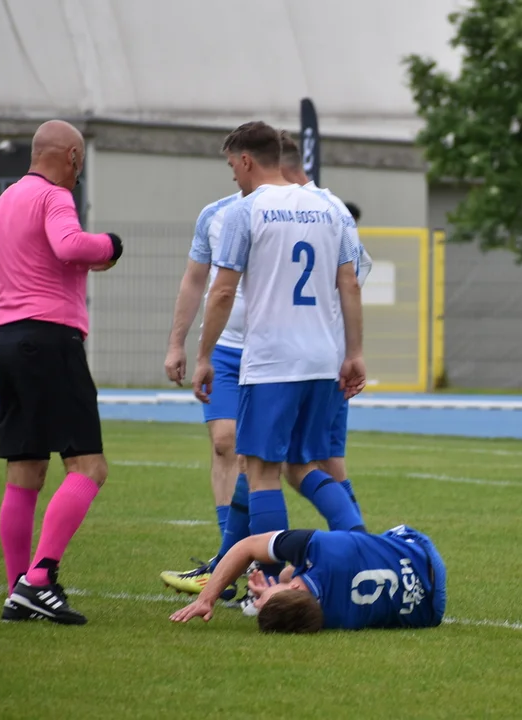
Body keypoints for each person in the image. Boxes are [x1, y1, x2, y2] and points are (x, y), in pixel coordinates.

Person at [0, 119, 124, 625]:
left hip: (11, 344)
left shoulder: (1, 204)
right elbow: (69, 246)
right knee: (89, 468)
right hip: (52, 340)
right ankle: (40, 579)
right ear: (69, 156)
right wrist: (109, 245)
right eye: (80, 159)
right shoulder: (53, 197)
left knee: (24, 475)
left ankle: (16, 591)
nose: (79, 169)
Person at [186, 121, 367, 587]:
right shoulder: (331, 206)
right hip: (324, 359)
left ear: (246, 160)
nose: (232, 176)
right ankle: (364, 548)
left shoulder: (246, 212)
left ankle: (263, 583)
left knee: (263, 471)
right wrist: (355, 353)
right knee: (305, 465)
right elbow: (350, 283)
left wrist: (203, 355)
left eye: (231, 165)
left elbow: (222, 292)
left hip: (271, 362)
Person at [158, 187, 247, 600]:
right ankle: (228, 564)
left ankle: (253, 566)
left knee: (277, 461)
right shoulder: (215, 214)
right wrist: (179, 344)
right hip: (227, 350)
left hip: (276, 352)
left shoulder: (301, 209)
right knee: (224, 443)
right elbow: (196, 280)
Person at [277, 130, 372, 513]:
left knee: (279, 463)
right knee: (329, 459)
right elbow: (357, 275)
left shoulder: (284, 209)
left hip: (294, 357)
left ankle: (250, 557)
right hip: (330, 351)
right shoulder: (336, 208)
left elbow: (347, 280)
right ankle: (361, 544)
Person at [169, 524, 447, 633]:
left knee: (293, 567)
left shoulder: (331, 619)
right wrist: (208, 599)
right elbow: (248, 546)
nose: (258, 598)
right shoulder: (320, 549)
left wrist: (277, 587)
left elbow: (290, 576)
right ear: (296, 589)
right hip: (421, 555)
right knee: (301, 469)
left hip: (428, 610)